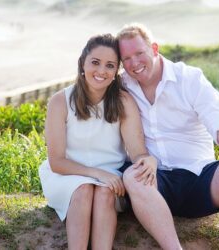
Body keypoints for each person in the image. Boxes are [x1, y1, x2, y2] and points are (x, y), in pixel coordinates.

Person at [117, 24, 219, 250]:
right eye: (127, 58)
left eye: (139, 53)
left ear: (154, 48)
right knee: (134, 175)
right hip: (156, 185)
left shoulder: (190, 79)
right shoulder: (123, 85)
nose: (134, 63)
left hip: (199, 179)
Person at [38, 34, 157, 250]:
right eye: (95, 62)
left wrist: (147, 160)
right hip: (65, 176)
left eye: (110, 65)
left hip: (110, 179)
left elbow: (138, 151)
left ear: (115, 72)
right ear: (82, 63)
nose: (101, 71)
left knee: (104, 193)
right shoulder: (60, 101)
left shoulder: (123, 101)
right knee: (84, 189)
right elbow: (56, 162)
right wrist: (98, 174)